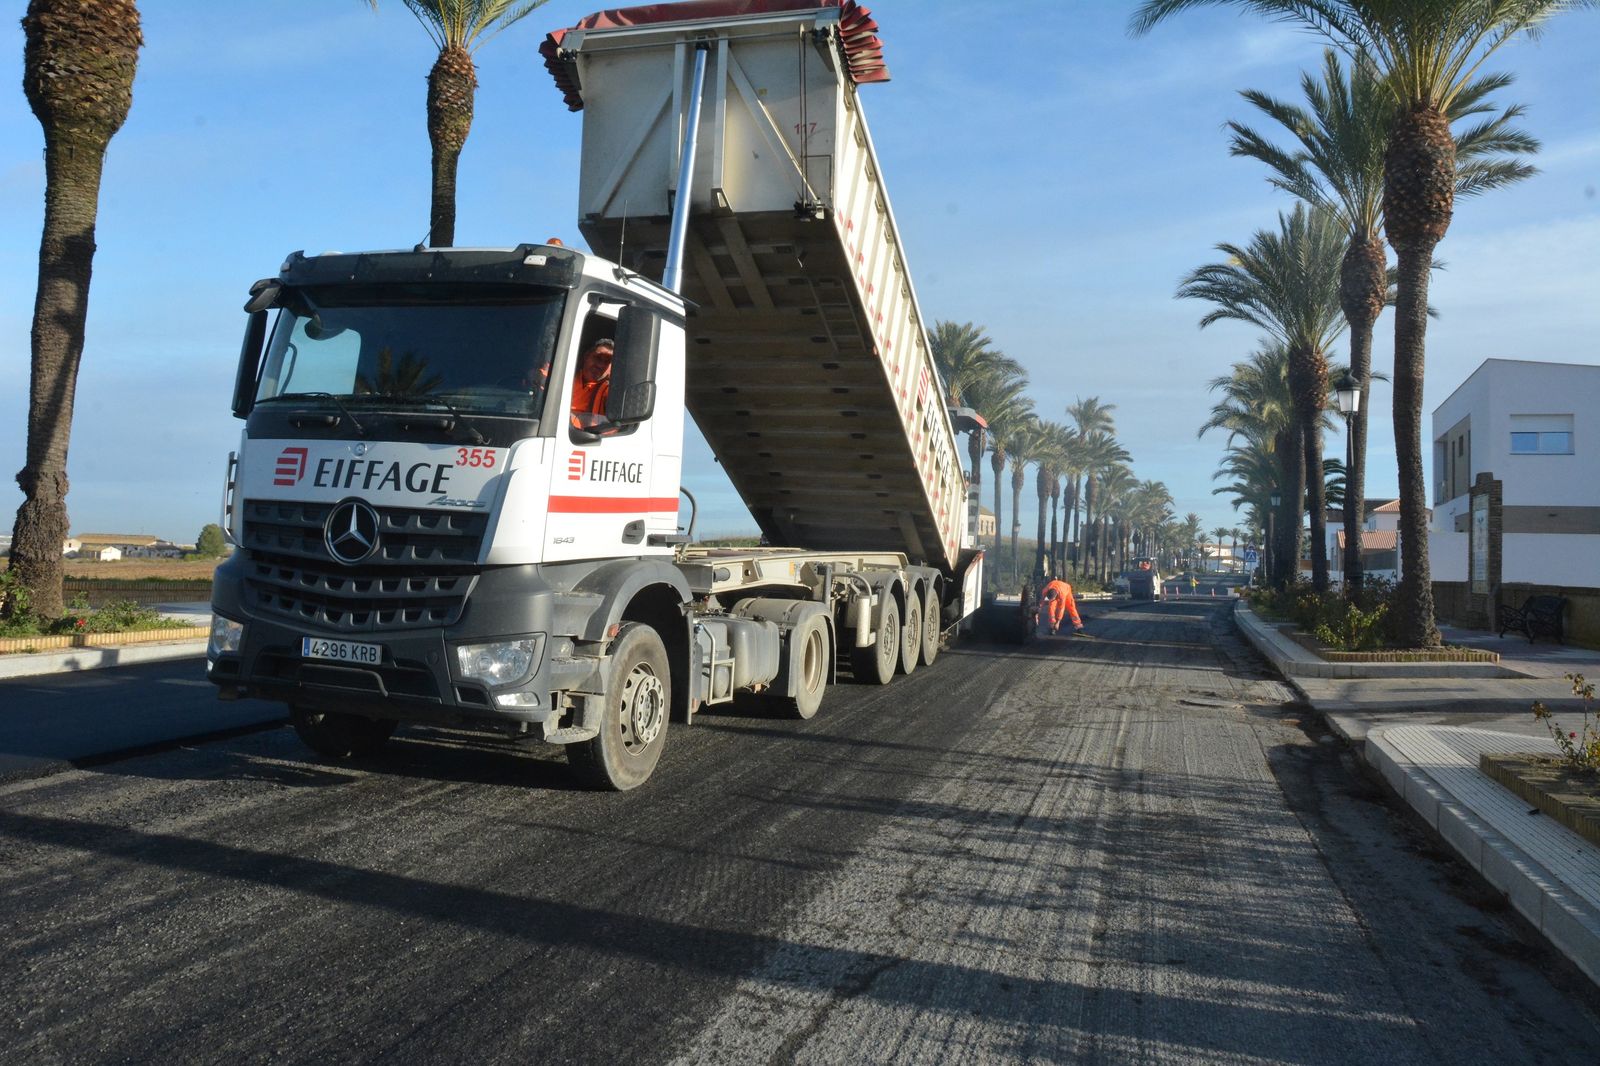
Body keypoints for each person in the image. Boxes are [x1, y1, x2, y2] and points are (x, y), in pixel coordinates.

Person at [570, 338, 613, 430]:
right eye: (598, 357)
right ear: (586, 356)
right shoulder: (564, 377)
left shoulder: (611, 391)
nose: (600, 365)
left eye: (607, 361)